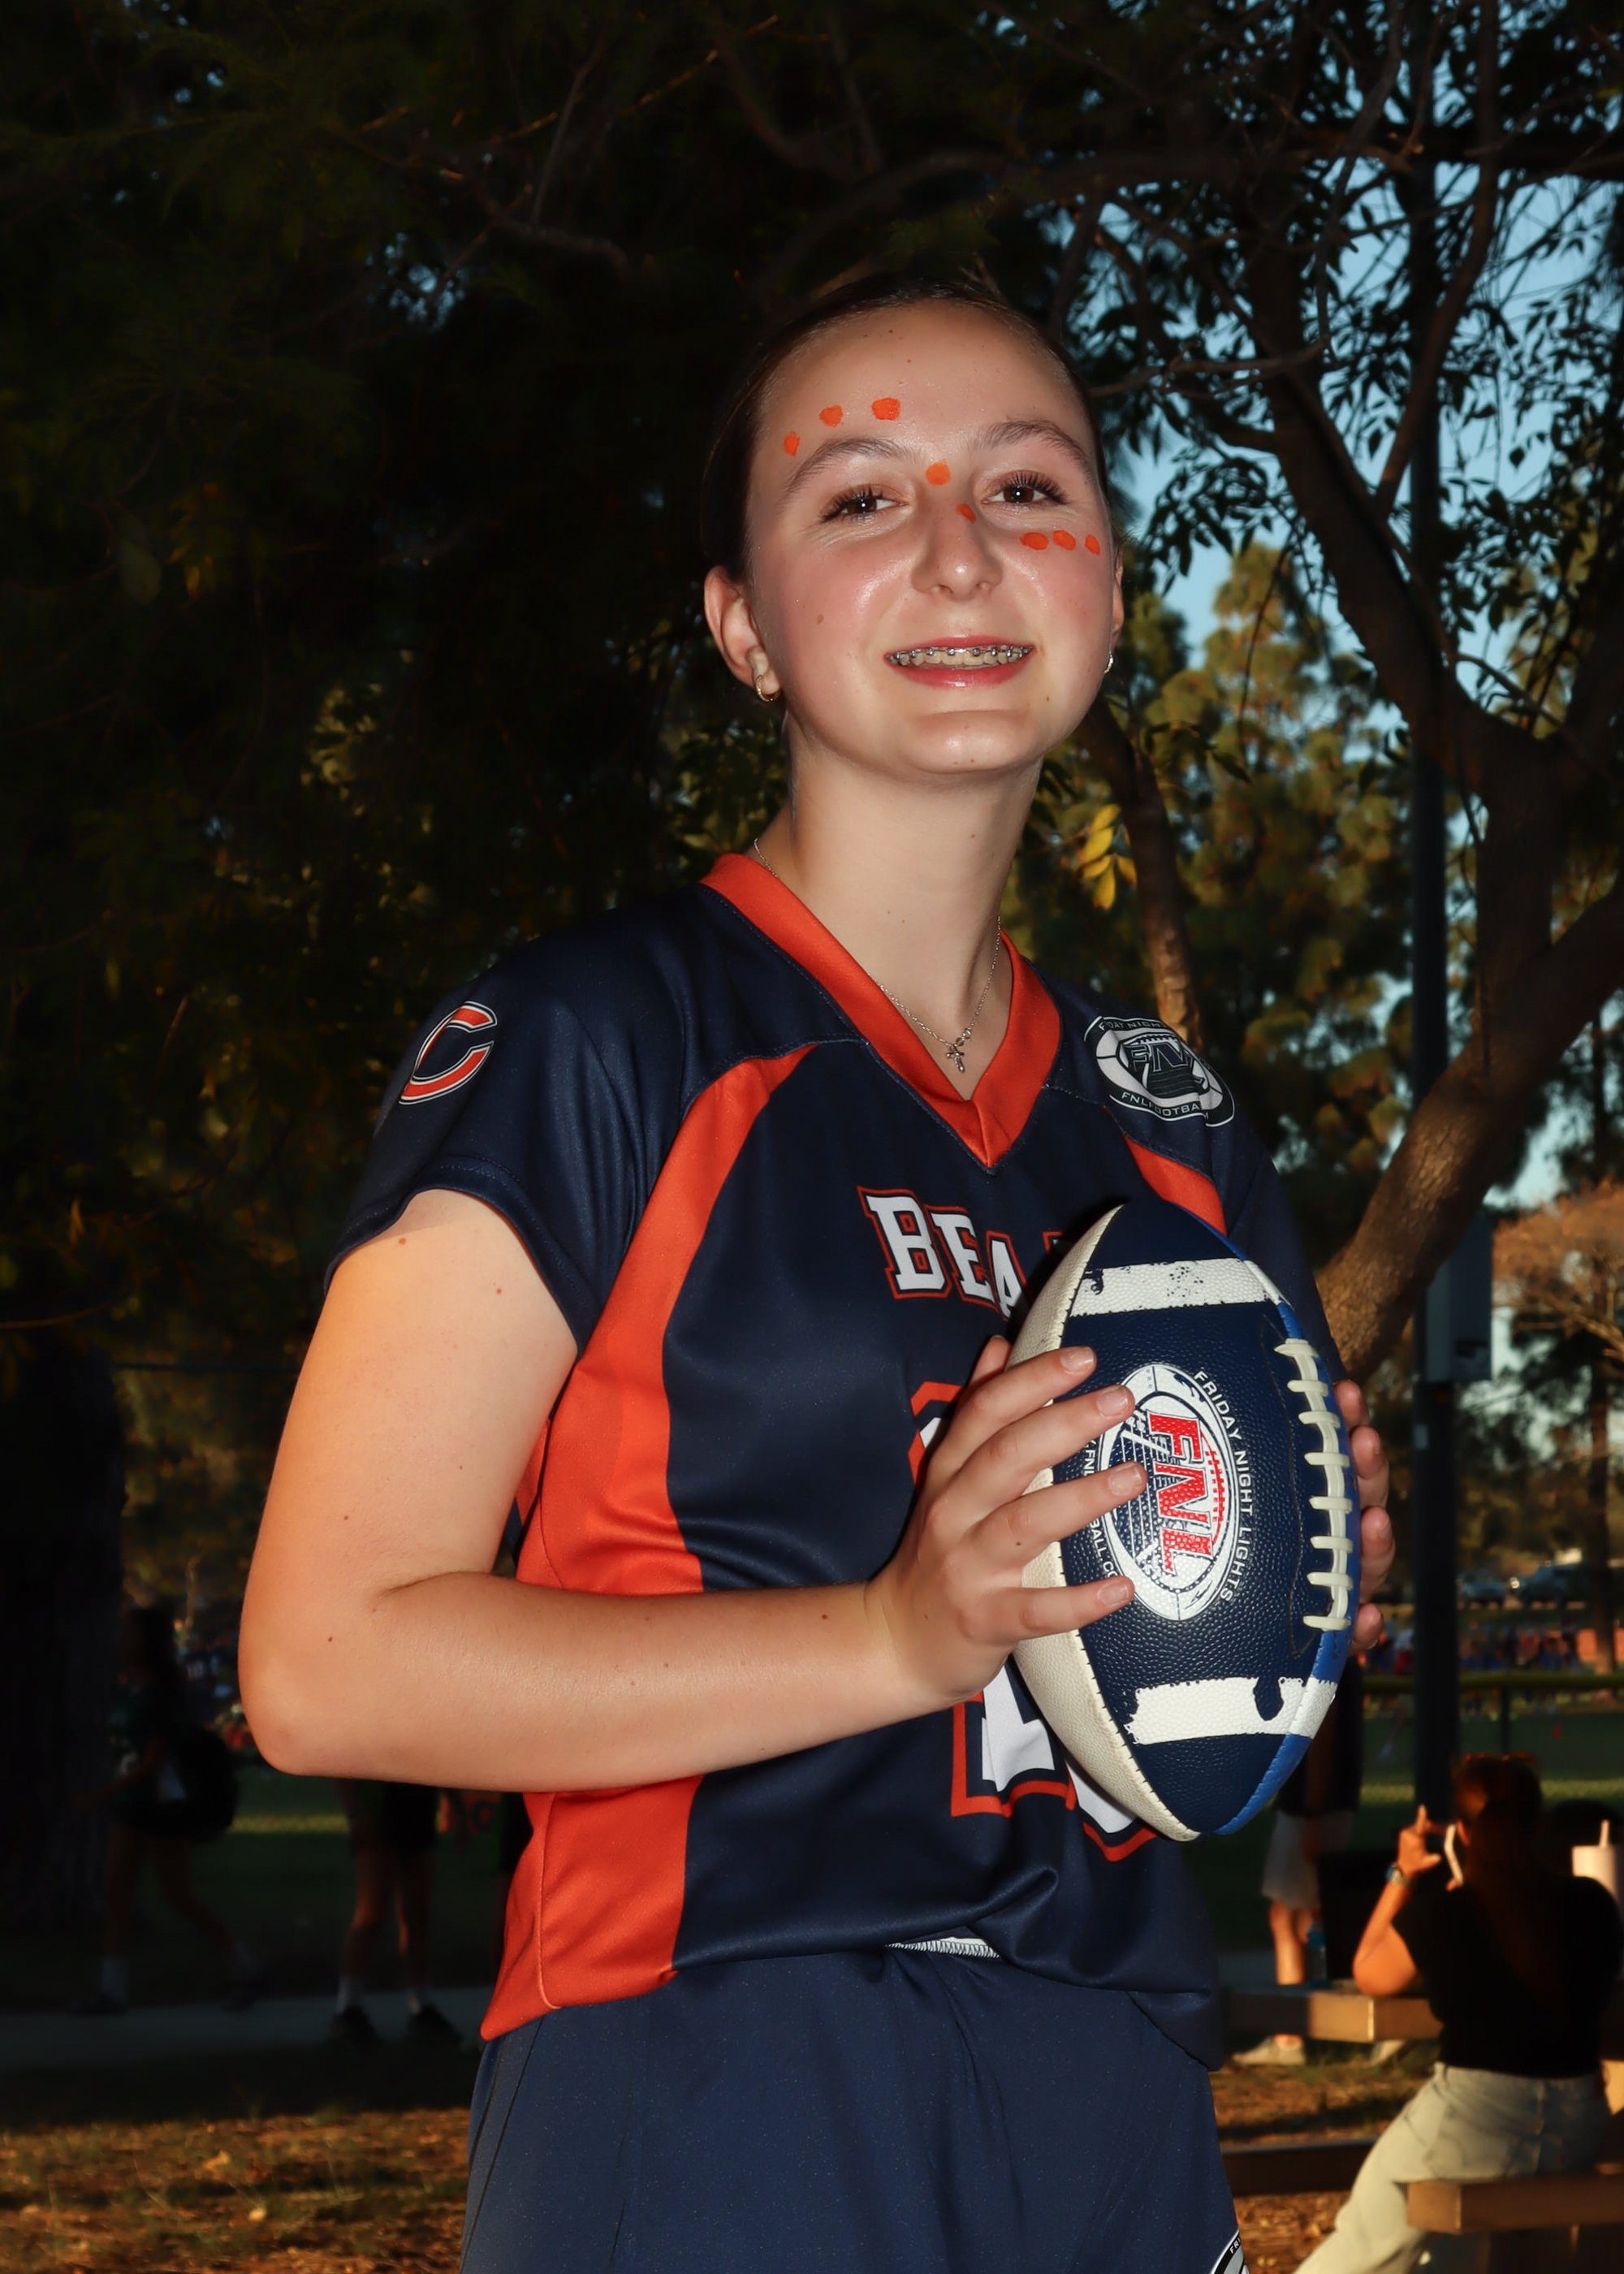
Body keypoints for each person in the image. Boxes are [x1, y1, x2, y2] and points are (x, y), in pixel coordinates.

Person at [240, 274, 1395, 2274]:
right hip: (720, 2067)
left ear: (1108, 588)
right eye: (860, 497)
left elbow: (1164, 1715)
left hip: (1116, 2074)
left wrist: (1276, 1581)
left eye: (1026, 488)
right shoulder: (598, 1037)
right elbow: (322, 1663)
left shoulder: (1173, 1124)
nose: (958, 549)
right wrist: (887, 1637)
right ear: (741, 624)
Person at [1299, 1755, 1623, 2274]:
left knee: (1367, 2235)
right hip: (1578, 2128)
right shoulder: (1593, 1906)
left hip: (1474, 2121)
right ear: (1540, 1825)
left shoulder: (1445, 1916)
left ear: (1463, 1834)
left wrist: (1403, 1873)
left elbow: (1368, 1972)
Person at [73, 1601, 264, 2015]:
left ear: (148, 1644)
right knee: (119, 1893)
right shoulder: (128, 1689)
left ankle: (245, 1967)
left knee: (177, 1894)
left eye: (129, 1634)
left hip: (158, 1807)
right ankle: (113, 1991)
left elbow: (153, 1763)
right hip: (131, 1807)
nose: (121, 1641)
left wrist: (101, 1795)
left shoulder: (160, 1697)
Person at [1235, 1654, 1364, 2065]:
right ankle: (1307, 2026)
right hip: (1322, 1804)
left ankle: (1291, 2036)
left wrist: (1311, 1812)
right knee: (1304, 1919)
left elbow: (1321, 1733)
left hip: (1311, 1808)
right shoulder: (1338, 1655)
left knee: (1292, 1919)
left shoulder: (1323, 1654)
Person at [330, 1779, 462, 2043]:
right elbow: (341, 1769)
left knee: (417, 1914)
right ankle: (348, 2007)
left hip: (418, 1806)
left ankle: (421, 2004)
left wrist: (457, 1807)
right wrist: (354, 1812)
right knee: (372, 1913)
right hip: (381, 1808)